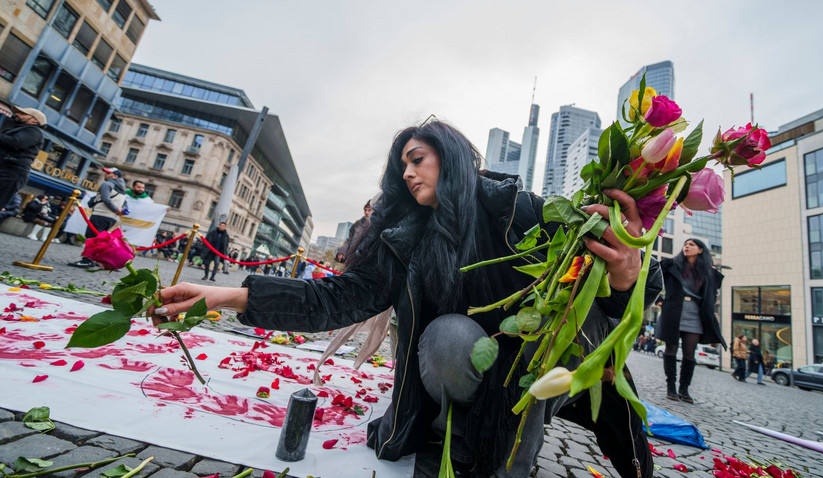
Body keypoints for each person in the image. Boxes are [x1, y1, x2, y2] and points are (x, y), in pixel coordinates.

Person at [151, 120, 659, 478]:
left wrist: (627, 272)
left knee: (541, 346)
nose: (409, 173)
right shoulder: (403, 237)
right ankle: (454, 432)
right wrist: (221, 296)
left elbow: (623, 292)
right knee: (447, 337)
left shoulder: (519, 209)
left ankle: (498, 451)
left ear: (450, 157)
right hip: (457, 363)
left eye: (418, 160)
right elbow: (336, 298)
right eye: (403, 168)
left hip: (537, 370)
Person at [657, 239, 726, 404]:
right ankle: (671, 387)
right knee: (671, 349)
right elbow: (652, 277)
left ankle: (684, 389)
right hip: (673, 311)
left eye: (691, 245)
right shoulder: (671, 265)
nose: (687, 246)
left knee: (689, 353)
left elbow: (712, 294)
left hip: (695, 314)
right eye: (685, 244)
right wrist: (659, 300)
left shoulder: (708, 272)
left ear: (700, 250)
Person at [70, 167, 126, 268]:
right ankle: (96, 260)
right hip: (112, 218)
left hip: (100, 214)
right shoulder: (123, 189)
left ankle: (87, 260)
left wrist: (115, 209)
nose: (105, 174)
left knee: (91, 237)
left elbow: (106, 199)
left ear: (115, 176)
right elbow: (124, 204)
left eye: (108, 173)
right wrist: (119, 211)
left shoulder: (107, 184)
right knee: (100, 240)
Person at [0, 106, 46, 211]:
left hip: (11, 172)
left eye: (23, 113)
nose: (17, 114)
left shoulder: (34, 132)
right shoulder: (20, 129)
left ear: (35, 120)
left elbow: (17, 142)